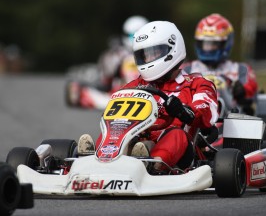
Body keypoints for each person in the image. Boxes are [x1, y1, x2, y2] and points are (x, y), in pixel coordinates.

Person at [78, 21, 219, 171]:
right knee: (114, 130)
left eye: (154, 53)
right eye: (144, 55)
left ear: (172, 48)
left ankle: (152, 164)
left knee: (176, 134)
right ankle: (96, 161)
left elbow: (206, 111)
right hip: (136, 140)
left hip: (181, 151)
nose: (148, 59)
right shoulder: (133, 86)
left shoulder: (196, 83)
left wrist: (183, 111)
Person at [182, 13, 258, 115]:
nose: (208, 48)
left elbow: (251, 90)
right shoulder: (187, 69)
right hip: (195, 118)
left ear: (225, 44)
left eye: (213, 44)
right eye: (205, 43)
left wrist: (241, 90)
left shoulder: (240, 69)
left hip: (231, 119)